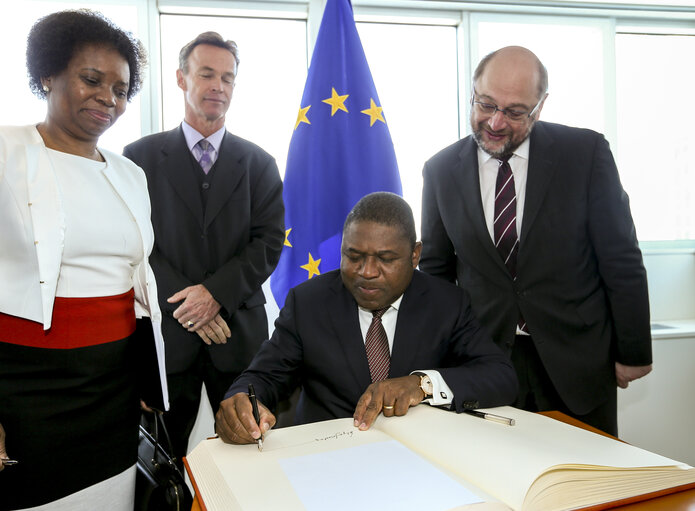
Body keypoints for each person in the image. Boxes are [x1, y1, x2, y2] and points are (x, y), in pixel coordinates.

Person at [0, 10, 167, 510]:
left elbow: (137, 285)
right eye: (91, 79)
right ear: (48, 75)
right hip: (28, 394)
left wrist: (147, 377)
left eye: (121, 89)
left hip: (112, 395)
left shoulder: (130, 175)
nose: (109, 98)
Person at [420, 46, 651, 436]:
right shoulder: (441, 170)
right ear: (473, 92)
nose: (494, 122)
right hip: (484, 362)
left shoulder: (585, 154)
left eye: (513, 112)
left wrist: (634, 351)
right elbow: (437, 273)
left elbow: (621, 258)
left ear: (539, 108)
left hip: (576, 359)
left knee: (588, 486)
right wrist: (438, 359)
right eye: (486, 104)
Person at [215, 192, 517, 444]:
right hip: (329, 458)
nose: (367, 272)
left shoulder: (447, 302)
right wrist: (242, 401)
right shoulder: (308, 302)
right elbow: (265, 376)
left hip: (420, 456)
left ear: (415, 255)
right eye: (354, 256)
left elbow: (500, 376)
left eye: (386, 259)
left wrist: (422, 384)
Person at [123, 32, 285, 455]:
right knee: (159, 465)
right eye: (207, 74)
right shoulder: (137, 158)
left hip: (237, 338)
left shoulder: (259, 163)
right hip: (164, 342)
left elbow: (268, 242)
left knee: (254, 454)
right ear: (181, 79)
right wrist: (191, 306)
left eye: (228, 78)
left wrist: (215, 295)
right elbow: (135, 244)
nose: (218, 86)